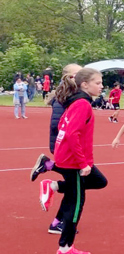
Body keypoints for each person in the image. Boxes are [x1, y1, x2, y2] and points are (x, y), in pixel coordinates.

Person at [39, 67, 108, 254]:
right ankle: (66, 248)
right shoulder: (82, 104)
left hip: (72, 160)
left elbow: (63, 127)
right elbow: (70, 133)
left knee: (99, 181)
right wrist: (82, 162)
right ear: (84, 84)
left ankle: (53, 185)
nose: (101, 86)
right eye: (98, 82)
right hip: (75, 163)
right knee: (75, 204)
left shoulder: (77, 102)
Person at [31, 64, 83, 235]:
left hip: (71, 147)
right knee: (80, 186)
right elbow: (57, 124)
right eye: (76, 75)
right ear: (67, 77)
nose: (80, 77)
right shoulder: (63, 98)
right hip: (64, 147)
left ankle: (57, 222)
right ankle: (49, 173)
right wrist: (72, 131)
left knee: (77, 185)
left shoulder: (75, 96)